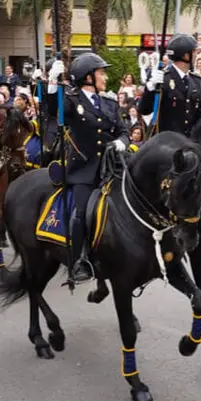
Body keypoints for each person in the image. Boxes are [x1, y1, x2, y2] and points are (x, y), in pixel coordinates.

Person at [46, 54, 128, 285]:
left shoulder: (110, 103)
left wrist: (122, 141)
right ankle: (79, 260)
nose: (105, 77)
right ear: (88, 77)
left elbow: (122, 129)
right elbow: (55, 111)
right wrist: (53, 83)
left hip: (112, 167)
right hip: (84, 168)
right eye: (101, 72)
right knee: (81, 212)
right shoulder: (71, 100)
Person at [138, 34, 201, 137]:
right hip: (166, 143)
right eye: (194, 52)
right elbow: (144, 110)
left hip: (190, 143)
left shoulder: (197, 81)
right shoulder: (162, 78)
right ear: (185, 56)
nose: (196, 55)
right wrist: (150, 88)